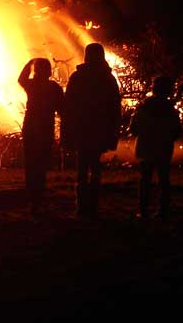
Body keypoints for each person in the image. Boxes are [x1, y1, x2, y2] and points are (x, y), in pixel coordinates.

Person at [62, 43, 123, 218]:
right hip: (99, 130)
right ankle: (93, 207)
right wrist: (113, 133)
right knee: (95, 168)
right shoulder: (108, 79)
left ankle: (81, 207)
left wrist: (67, 132)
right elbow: (114, 109)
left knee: (82, 169)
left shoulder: (77, 77)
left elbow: (68, 107)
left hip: (82, 129)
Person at [129, 76, 182, 218]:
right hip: (164, 147)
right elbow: (177, 130)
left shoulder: (144, 107)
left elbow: (133, 128)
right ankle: (163, 209)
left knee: (145, 179)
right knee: (164, 178)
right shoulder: (170, 109)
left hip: (145, 147)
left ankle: (143, 209)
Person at [18, 57, 63, 213]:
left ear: (36, 71)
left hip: (31, 127)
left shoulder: (32, 85)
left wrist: (29, 63)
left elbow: (21, 79)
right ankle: (39, 195)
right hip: (45, 127)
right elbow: (62, 109)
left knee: (31, 163)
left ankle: (32, 197)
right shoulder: (54, 88)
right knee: (41, 163)